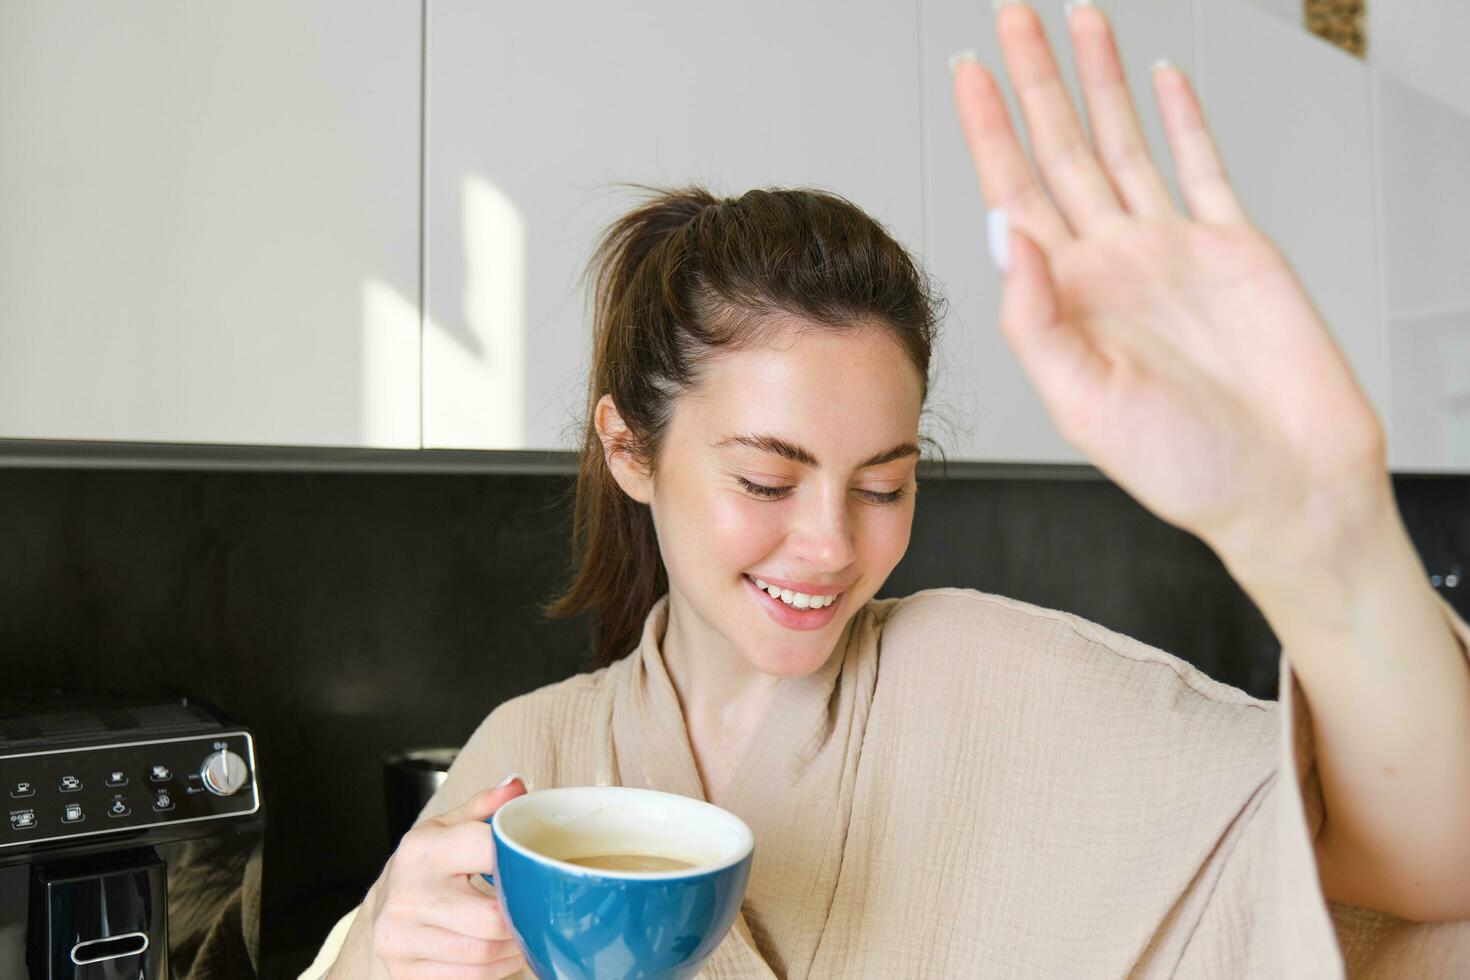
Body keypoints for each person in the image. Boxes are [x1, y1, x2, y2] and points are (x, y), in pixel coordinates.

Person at [307, 4, 1470, 977]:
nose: (827, 544)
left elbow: (1431, 866)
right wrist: (376, 960)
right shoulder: (536, 749)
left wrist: (1330, 532)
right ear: (629, 449)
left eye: (883, 485)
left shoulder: (1000, 684)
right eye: (769, 476)